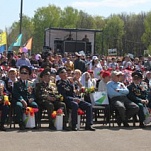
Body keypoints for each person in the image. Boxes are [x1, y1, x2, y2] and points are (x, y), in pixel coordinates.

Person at [12, 65, 38, 130]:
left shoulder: (31, 83)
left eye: (25, 73)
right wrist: (22, 100)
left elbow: (34, 93)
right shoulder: (16, 83)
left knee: (35, 105)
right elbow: (16, 93)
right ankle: (21, 123)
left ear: (28, 75)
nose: (23, 74)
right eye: (22, 73)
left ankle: (34, 123)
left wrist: (32, 98)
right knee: (19, 106)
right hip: (20, 100)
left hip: (28, 100)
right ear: (20, 74)